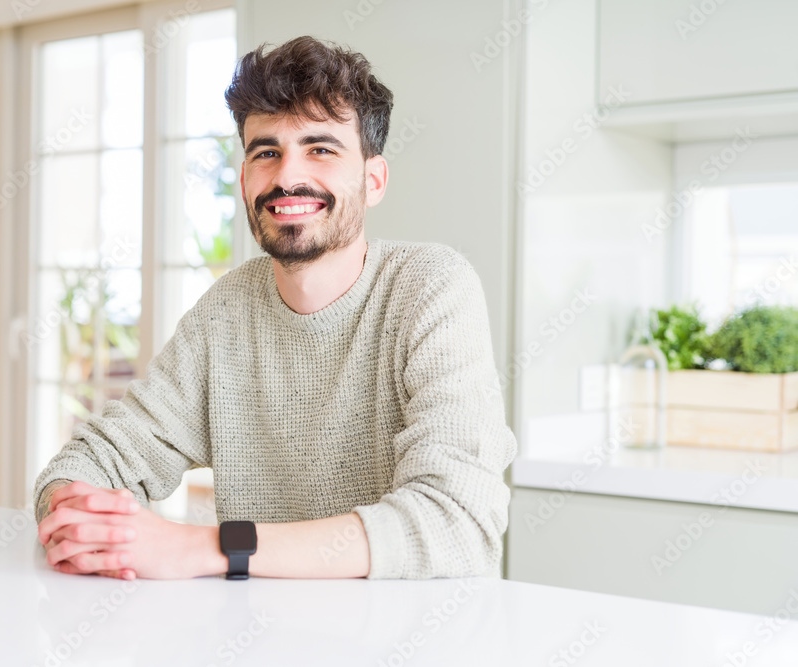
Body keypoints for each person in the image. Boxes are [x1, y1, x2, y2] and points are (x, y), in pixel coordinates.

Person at [33, 35, 517, 581]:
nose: (288, 177)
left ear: (373, 180)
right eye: (267, 152)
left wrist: (204, 548)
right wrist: (79, 517)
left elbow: (458, 523)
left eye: (321, 148)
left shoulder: (431, 288)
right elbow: (92, 460)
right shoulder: (225, 313)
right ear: (244, 181)